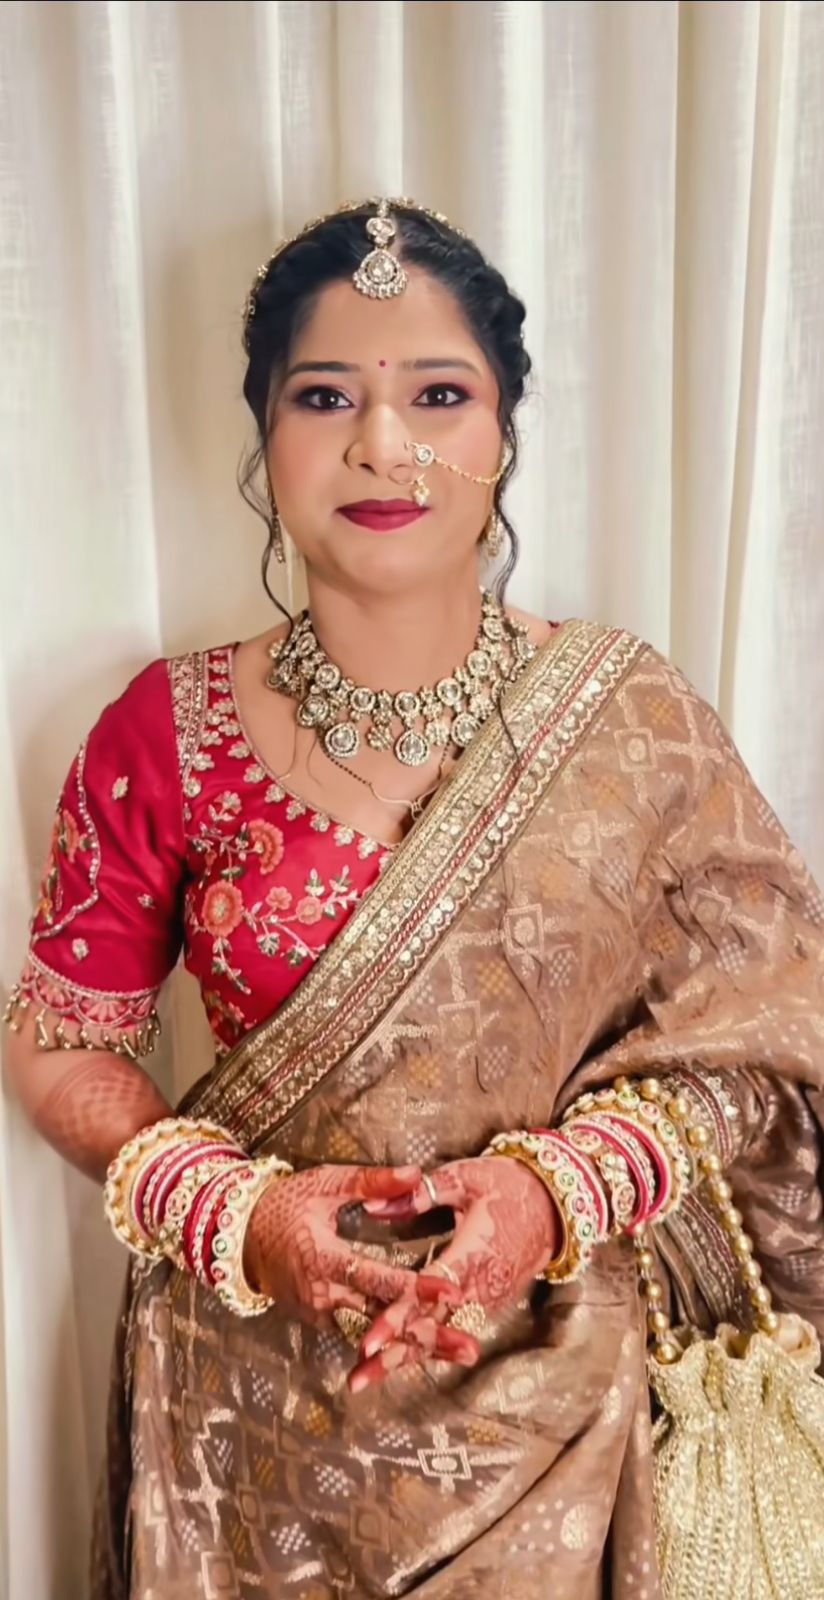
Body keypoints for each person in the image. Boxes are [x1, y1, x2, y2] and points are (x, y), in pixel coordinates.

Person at [5, 198, 824, 1600]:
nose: (384, 445)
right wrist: (234, 1212)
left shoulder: (632, 719)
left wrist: (556, 1190)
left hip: (568, 1422)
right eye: (325, 397)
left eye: (439, 395)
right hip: (245, 1440)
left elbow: (776, 1043)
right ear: (264, 436)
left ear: (503, 431)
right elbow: (60, 1037)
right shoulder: (163, 731)